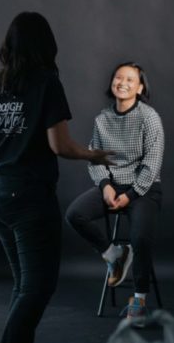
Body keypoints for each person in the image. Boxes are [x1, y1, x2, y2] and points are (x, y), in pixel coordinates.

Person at [0, 12, 112, 343]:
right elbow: (60, 146)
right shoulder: (46, 82)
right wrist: (94, 153)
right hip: (27, 197)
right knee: (37, 287)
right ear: (46, 45)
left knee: (23, 285)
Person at [65, 62, 164, 322]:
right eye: (118, 77)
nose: (122, 82)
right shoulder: (102, 119)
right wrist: (105, 185)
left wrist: (130, 194)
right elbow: (95, 158)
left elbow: (152, 163)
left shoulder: (149, 117)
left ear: (140, 87)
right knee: (75, 214)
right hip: (112, 186)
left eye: (130, 79)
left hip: (143, 190)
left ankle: (139, 302)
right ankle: (114, 255)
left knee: (140, 238)